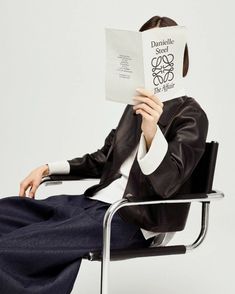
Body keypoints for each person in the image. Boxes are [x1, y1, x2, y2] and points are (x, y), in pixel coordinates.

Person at [0, 15, 208, 294]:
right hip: (90, 205)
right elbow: (103, 158)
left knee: (14, 248)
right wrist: (48, 168)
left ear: (177, 56)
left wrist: (152, 131)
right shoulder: (134, 107)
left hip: (128, 218)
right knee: (6, 214)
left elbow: (167, 182)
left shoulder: (191, 114)